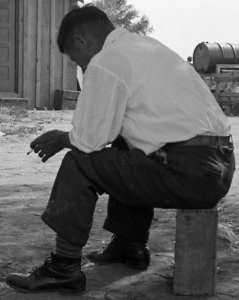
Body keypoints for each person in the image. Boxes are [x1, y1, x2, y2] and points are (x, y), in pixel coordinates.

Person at [6, 4, 235, 295]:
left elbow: (88, 141)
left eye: (77, 59)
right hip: (218, 165)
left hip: (189, 170)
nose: (82, 67)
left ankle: (63, 267)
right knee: (126, 145)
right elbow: (115, 134)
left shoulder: (107, 60)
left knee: (79, 162)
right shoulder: (143, 46)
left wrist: (61, 138)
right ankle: (130, 246)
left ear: (81, 41)